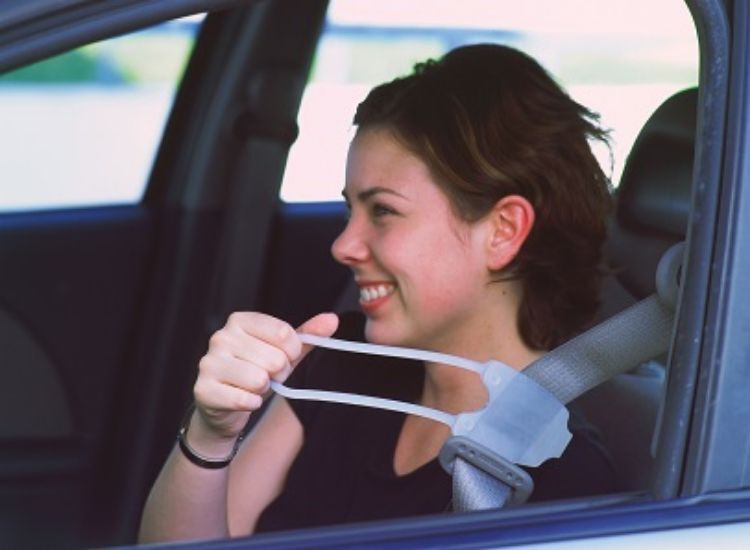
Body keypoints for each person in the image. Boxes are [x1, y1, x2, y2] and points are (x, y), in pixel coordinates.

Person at [139, 43, 615, 542]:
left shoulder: (562, 478)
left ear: (502, 230)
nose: (343, 245)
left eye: (383, 211)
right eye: (351, 211)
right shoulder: (340, 366)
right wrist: (212, 435)